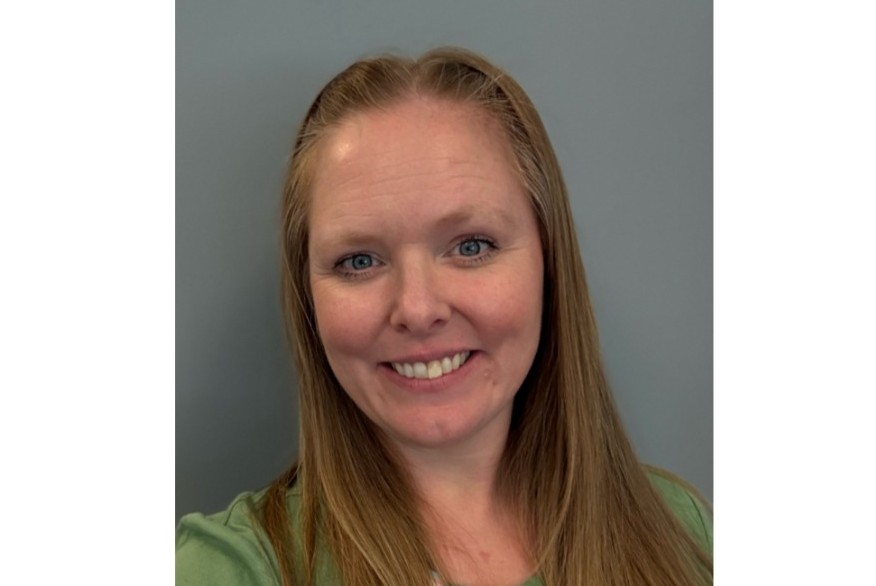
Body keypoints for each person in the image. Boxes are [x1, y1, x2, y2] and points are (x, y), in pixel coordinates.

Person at [176, 46, 713, 585]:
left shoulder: (680, 531)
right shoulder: (229, 568)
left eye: (472, 246)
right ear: (308, 297)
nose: (418, 308)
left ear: (550, 263)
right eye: (359, 260)